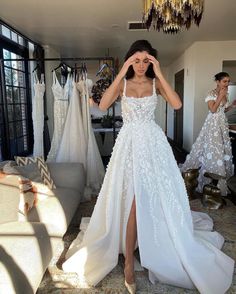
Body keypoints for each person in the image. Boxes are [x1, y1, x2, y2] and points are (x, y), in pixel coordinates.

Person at [62, 40, 234, 294]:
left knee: (149, 197)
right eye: (137, 60)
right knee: (132, 198)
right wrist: (122, 71)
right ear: (130, 59)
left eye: (146, 60)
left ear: (152, 61)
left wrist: (161, 74)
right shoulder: (123, 82)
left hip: (154, 146)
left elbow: (176, 104)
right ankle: (129, 263)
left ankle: (147, 248)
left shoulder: (156, 83)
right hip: (128, 147)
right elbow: (102, 104)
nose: (141, 66)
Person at [181, 72, 234, 196]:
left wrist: (231, 106)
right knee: (213, 147)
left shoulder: (226, 94)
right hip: (213, 125)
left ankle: (219, 176)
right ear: (218, 81)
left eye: (228, 81)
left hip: (222, 124)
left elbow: (222, 109)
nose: (227, 84)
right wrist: (220, 96)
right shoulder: (211, 94)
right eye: (224, 81)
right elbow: (213, 110)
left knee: (222, 148)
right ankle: (209, 176)